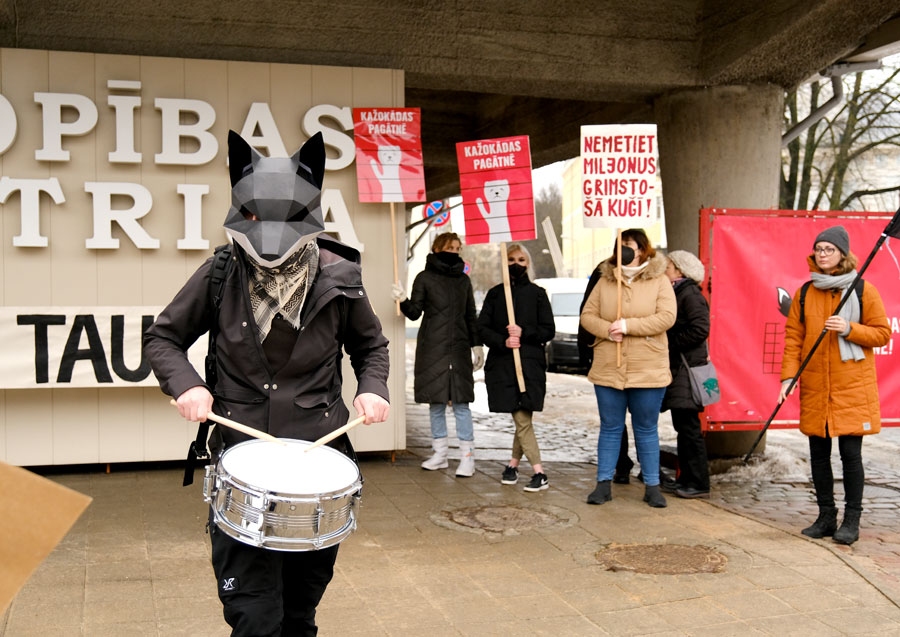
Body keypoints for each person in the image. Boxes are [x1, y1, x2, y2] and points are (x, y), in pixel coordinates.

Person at [143, 131, 391, 636]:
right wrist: (186, 385)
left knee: (300, 615)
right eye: (255, 218)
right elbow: (163, 338)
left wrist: (374, 388)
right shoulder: (218, 274)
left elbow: (372, 348)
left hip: (319, 463)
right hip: (241, 462)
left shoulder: (340, 278)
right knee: (255, 618)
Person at [780, 225, 890, 545]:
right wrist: (788, 378)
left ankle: (851, 520)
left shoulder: (862, 289)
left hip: (852, 386)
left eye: (829, 249)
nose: (823, 254)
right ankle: (826, 516)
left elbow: (882, 333)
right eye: (819, 249)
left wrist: (849, 329)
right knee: (818, 454)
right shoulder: (804, 292)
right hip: (816, 383)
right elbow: (793, 340)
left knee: (850, 455)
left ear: (843, 254)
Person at [580, 229, 676, 508]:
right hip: (610, 366)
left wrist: (629, 326)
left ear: (643, 249)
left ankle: (652, 486)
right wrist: (608, 331)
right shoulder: (606, 280)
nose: (624, 250)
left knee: (646, 428)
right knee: (610, 427)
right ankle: (603, 484)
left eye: (629, 245)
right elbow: (588, 315)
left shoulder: (659, 280)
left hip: (648, 368)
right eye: (620, 245)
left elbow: (667, 317)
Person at [392, 232, 484, 476]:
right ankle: (440, 454)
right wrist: (402, 300)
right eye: (450, 247)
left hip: (460, 348)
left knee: (462, 404)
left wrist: (477, 345)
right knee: (436, 403)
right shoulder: (424, 278)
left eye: (457, 247)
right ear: (437, 248)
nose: (454, 251)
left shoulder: (463, 280)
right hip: (433, 347)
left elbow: (470, 315)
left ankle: (467, 458)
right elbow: (414, 312)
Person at [478, 244, 555, 492]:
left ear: (528, 263)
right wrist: (503, 340)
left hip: (530, 366)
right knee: (521, 419)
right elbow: (481, 329)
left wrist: (525, 333)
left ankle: (526, 469)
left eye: (521, 259)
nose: (516, 263)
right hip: (503, 367)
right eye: (511, 259)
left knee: (523, 419)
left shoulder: (539, 294)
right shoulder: (496, 294)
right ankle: (532, 470)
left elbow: (548, 329)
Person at [578, 262, 636, 485]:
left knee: (643, 420)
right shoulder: (603, 273)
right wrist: (586, 352)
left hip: (640, 359)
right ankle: (620, 463)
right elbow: (587, 313)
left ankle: (647, 470)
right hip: (610, 355)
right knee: (614, 418)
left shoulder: (649, 276)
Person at [660, 250, 711, 499]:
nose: (664, 268)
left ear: (679, 270)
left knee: (689, 427)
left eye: (668, 265)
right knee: (683, 426)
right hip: (682, 368)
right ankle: (687, 479)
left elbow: (701, 328)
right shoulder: (679, 292)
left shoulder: (689, 294)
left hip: (686, 368)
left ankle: (698, 482)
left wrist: (671, 342)